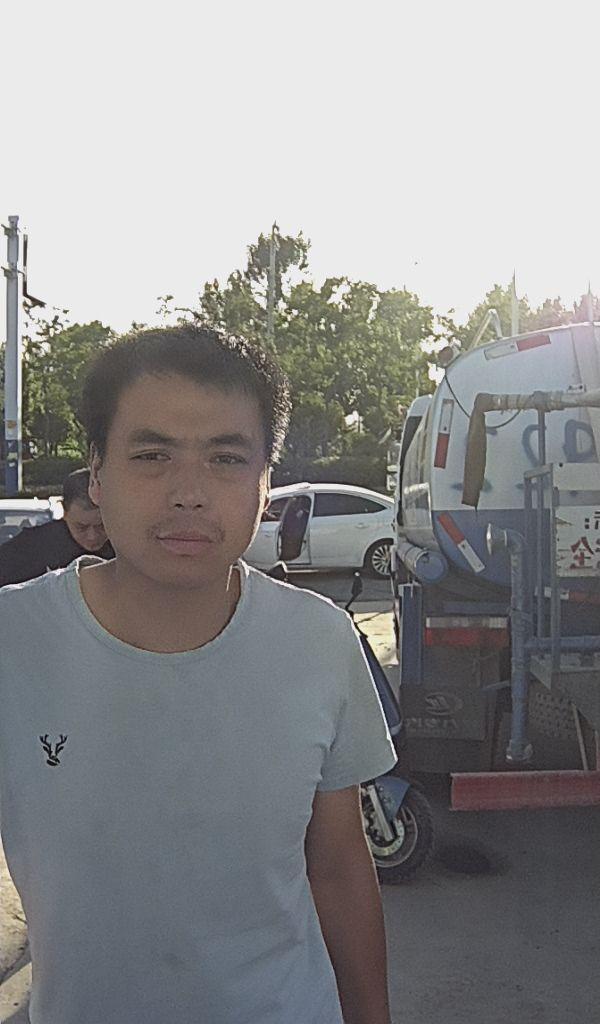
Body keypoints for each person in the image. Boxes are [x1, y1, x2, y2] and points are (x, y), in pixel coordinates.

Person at [0, 325, 397, 1024]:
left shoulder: (319, 641)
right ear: (97, 474)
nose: (189, 494)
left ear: (265, 484)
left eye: (226, 459)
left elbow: (338, 865)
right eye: (152, 456)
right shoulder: (14, 640)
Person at [0, 467, 113, 586]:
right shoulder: (30, 547)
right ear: (64, 511)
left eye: (102, 526)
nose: (92, 536)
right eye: (81, 527)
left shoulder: (124, 548)